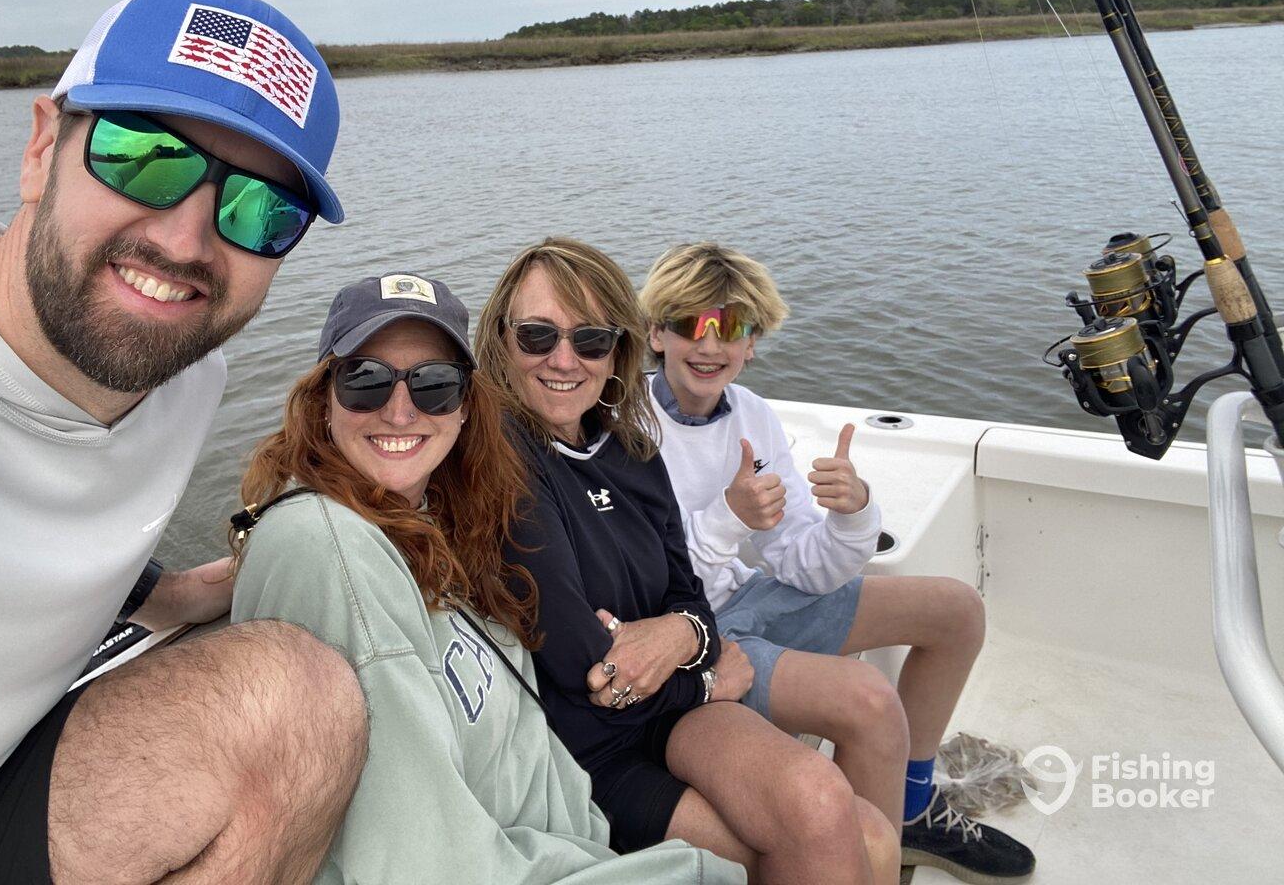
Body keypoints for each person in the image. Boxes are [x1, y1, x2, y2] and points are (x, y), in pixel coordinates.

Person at [0, 0, 368, 885]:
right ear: (42, 147)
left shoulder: (181, 370)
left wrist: (163, 591)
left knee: (304, 704)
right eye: (144, 156)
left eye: (261, 210)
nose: (187, 240)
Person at [228, 273, 744, 884]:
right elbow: (424, 860)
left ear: (467, 405)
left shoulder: (438, 523)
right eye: (364, 381)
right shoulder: (328, 546)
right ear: (322, 397)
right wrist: (703, 684)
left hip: (571, 824)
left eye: (435, 384)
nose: (400, 410)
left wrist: (684, 637)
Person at [476, 237, 900, 885]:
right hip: (591, 754)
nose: (565, 359)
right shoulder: (506, 464)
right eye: (537, 336)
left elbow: (690, 597)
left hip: (673, 712)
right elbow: (589, 668)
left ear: (617, 347)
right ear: (502, 340)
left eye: (590, 339)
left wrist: (680, 633)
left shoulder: (629, 451)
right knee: (798, 848)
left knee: (850, 822)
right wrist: (704, 679)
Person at [638, 242, 1036, 883]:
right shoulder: (626, 427)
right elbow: (647, 582)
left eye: (731, 328)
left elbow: (803, 565)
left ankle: (911, 809)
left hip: (748, 596)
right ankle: (871, 865)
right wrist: (729, 518)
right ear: (656, 331)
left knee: (956, 610)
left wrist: (851, 515)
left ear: (752, 344)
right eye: (690, 323)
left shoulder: (753, 415)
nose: (710, 345)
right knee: (870, 702)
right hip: (691, 634)